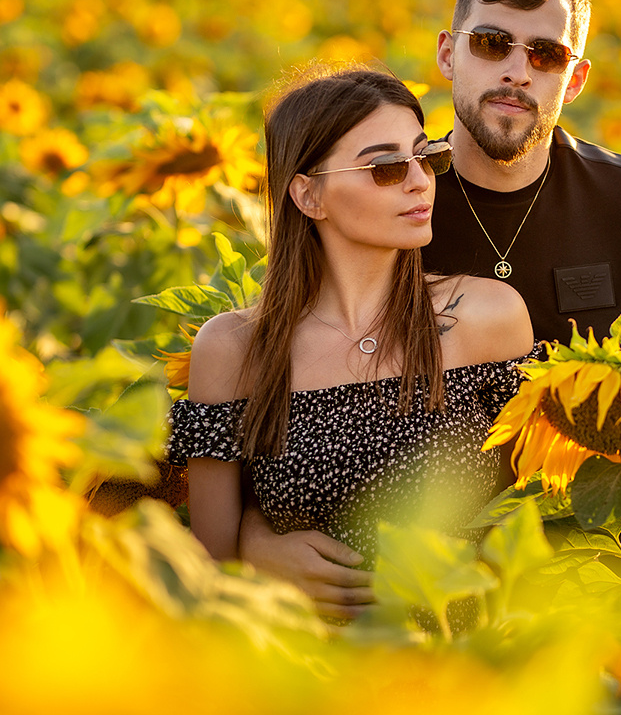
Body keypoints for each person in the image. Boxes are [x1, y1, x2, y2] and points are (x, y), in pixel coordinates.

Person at [239, 0, 621, 703]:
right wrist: (253, 540)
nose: (516, 70)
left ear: (574, 77)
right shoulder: (387, 198)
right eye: (492, 43)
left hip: (599, 589)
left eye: (545, 53)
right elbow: (286, 385)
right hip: (418, 610)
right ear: (449, 53)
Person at [167, 66, 533, 572]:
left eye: (428, 157)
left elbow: (532, 524)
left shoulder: (489, 318)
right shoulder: (234, 348)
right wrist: (260, 560)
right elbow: (210, 573)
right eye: (386, 167)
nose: (419, 181)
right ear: (308, 195)